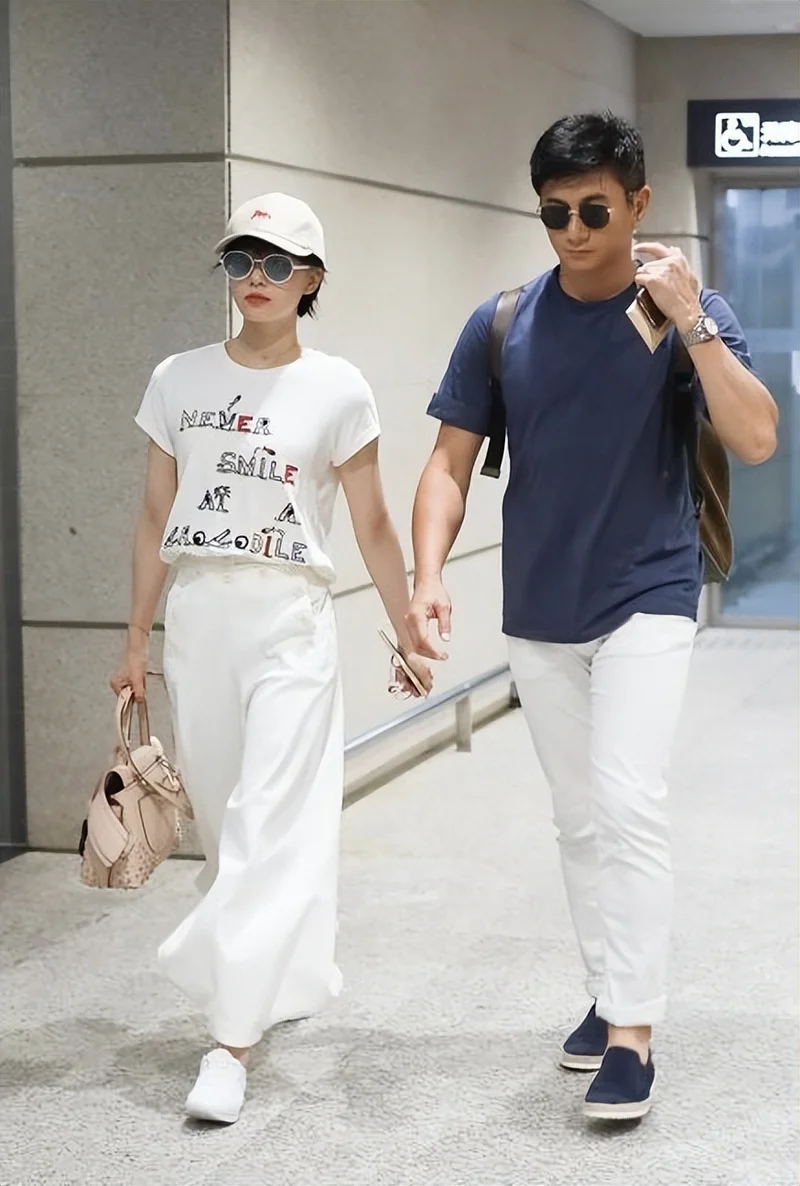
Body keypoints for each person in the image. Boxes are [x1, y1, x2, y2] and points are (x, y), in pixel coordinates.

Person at [406, 112, 778, 1122]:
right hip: (539, 605)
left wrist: (691, 320)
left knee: (625, 801)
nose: (573, 231)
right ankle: (609, 987)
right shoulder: (502, 322)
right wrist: (426, 573)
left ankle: (631, 1033)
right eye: (554, 213)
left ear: (639, 204)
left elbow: (755, 437)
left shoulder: (685, 312)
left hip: (647, 593)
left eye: (594, 211)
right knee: (577, 818)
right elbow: (446, 464)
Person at [111, 192, 431, 1125]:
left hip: (291, 619)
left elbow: (372, 522)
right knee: (227, 829)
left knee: (268, 821)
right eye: (241, 260)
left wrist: (408, 626)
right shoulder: (177, 379)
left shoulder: (338, 388)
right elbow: (154, 517)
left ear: (311, 279)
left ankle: (229, 1045)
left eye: (278, 263)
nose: (256, 278)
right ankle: (273, 979)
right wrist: (134, 639)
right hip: (199, 616)